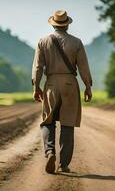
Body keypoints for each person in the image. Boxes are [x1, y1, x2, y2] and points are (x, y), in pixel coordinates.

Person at [31, 10, 93, 174]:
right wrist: (88, 86)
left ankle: (50, 152)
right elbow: (83, 67)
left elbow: (38, 67)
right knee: (67, 123)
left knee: (48, 121)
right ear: (67, 24)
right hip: (70, 84)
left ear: (53, 24)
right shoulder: (77, 42)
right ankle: (63, 164)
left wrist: (36, 86)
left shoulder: (43, 41)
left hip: (51, 83)